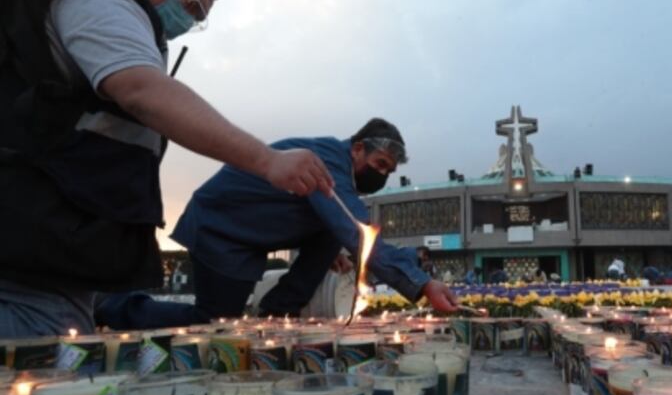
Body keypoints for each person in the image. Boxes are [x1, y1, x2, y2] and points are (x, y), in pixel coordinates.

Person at [0, 0, 334, 339]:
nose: (186, 21)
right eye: (191, 4)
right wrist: (268, 160)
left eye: (196, 19)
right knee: (40, 367)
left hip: (44, 230)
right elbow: (141, 89)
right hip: (28, 235)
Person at [95, 119, 458, 329]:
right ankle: (109, 308)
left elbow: (318, 218)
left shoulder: (341, 171)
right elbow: (357, 231)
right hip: (221, 228)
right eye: (379, 164)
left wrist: (324, 247)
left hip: (247, 232)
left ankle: (277, 314)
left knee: (333, 233)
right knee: (215, 321)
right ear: (358, 148)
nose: (381, 176)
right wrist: (423, 283)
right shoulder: (328, 164)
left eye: (388, 173)